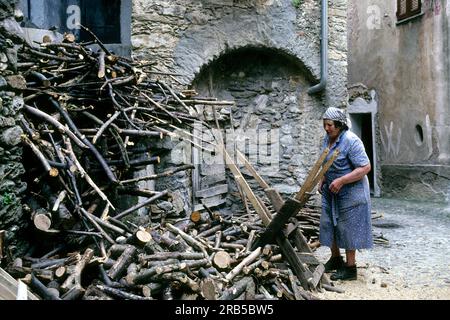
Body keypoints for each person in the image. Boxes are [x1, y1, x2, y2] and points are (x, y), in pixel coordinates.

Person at [318, 107, 373, 281]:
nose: (327, 128)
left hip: (351, 192)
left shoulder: (351, 141)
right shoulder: (327, 139)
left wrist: (342, 180)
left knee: (348, 228)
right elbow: (326, 161)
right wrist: (323, 178)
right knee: (329, 224)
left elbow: (365, 167)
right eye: (325, 124)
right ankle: (335, 258)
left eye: (330, 125)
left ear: (340, 125)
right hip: (331, 190)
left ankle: (350, 268)